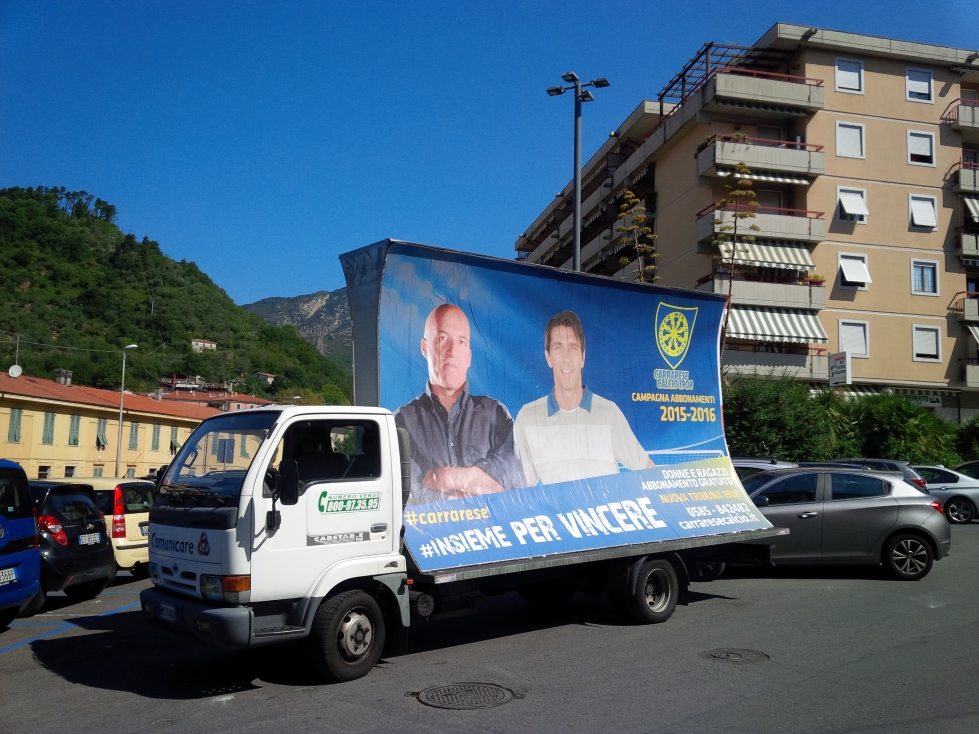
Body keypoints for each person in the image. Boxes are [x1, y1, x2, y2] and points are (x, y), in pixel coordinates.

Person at [395, 303, 525, 505]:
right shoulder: (402, 422)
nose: (453, 350)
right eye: (443, 338)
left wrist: (446, 478)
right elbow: (409, 497)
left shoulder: (496, 414)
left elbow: (514, 482)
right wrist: (480, 486)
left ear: (469, 357)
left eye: (462, 342)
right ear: (424, 347)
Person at [514, 310, 653, 486]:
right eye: (558, 348)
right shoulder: (528, 418)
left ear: (583, 357)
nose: (566, 358)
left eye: (573, 348)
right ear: (548, 357)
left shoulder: (609, 414)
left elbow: (649, 473)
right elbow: (517, 492)